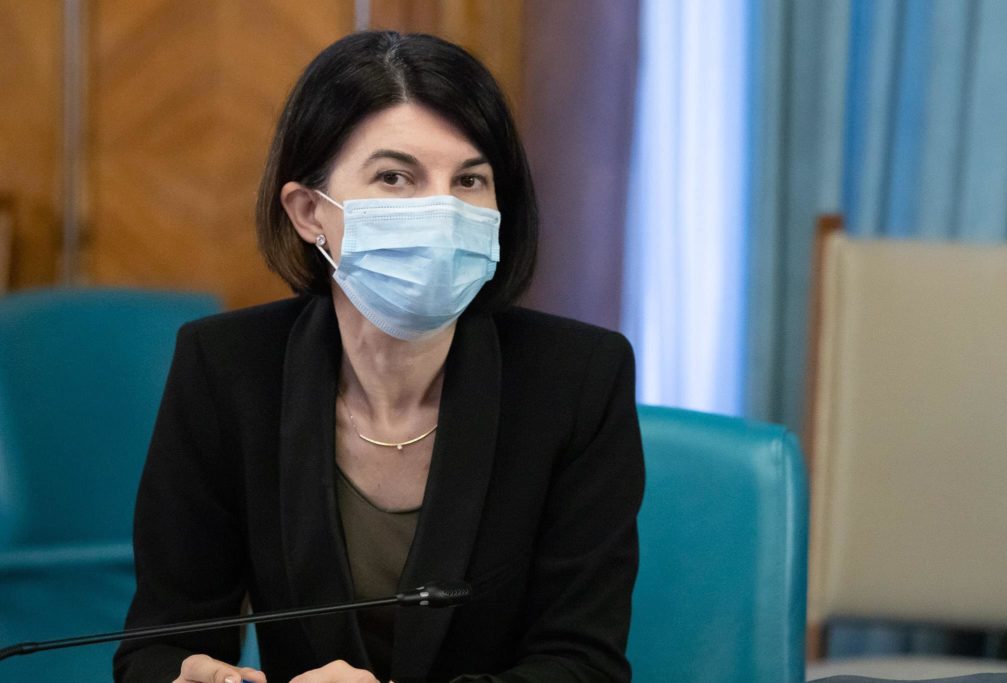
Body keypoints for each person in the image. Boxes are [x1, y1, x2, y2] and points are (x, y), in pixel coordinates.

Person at [114, 30, 643, 683]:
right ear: (309, 212)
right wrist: (189, 675)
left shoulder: (578, 378)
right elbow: (157, 643)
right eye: (395, 177)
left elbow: (585, 665)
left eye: (469, 179)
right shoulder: (226, 368)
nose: (441, 211)